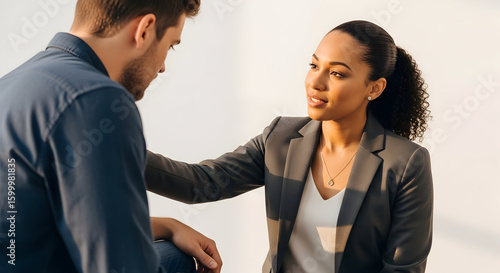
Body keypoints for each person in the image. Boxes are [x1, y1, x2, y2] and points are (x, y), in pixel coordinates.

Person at [145, 20, 433, 273]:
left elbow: (402, 269)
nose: (315, 82)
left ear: (374, 88)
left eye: (337, 74)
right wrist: (121, 149)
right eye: (314, 66)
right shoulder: (281, 137)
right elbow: (202, 183)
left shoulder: (406, 163)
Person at [0, 0, 222, 272]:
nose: (163, 66)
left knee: (169, 252)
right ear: (145, 30)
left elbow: (33, 225)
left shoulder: (14, 84)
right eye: (170, 45)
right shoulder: (96, 100)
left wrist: (169, 226)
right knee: (176, 261)